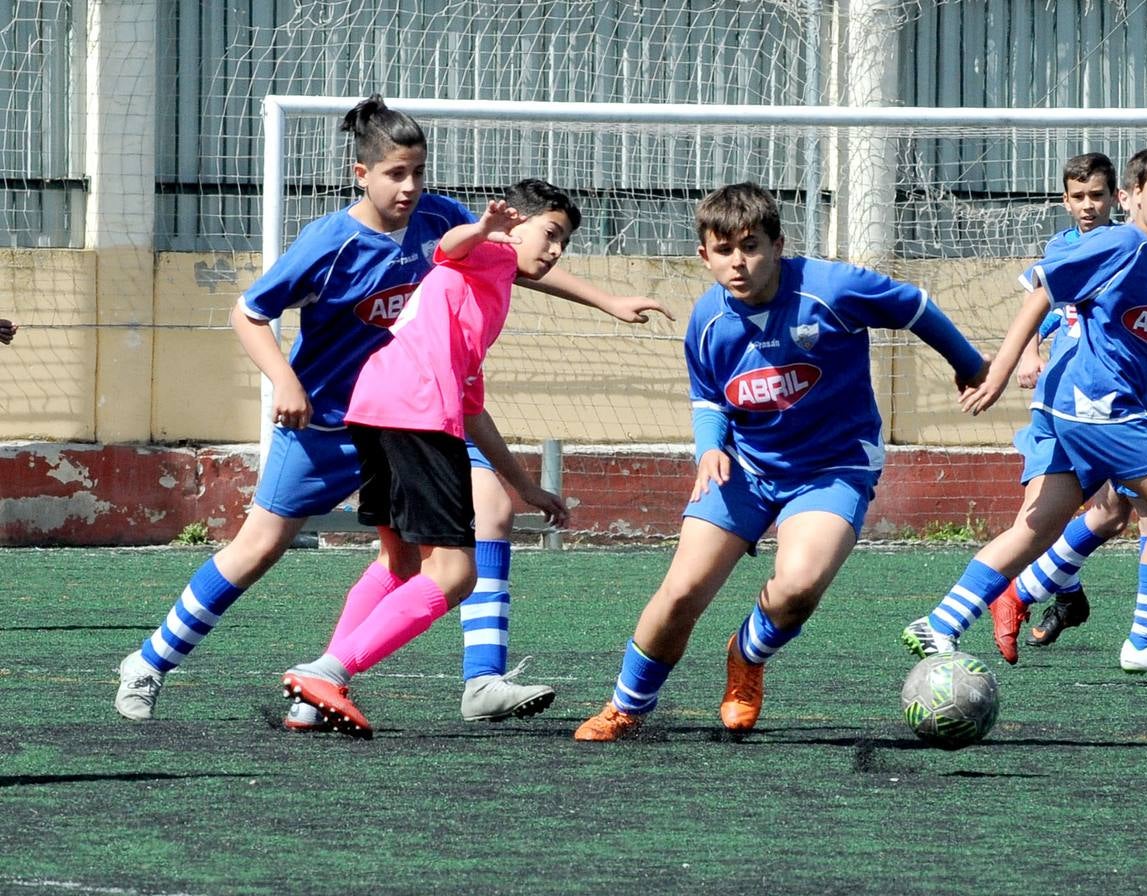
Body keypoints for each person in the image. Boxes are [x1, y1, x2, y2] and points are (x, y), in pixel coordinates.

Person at [113, 96, 666, 726]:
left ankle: (463, 679)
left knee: (478, 517)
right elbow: (247, 312)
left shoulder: (439, 219)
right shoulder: (329, 242)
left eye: (418, 173)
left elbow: (509, 258)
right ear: (362, 174)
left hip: (409, 413)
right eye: (395, 174)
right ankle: (150, 663)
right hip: (326, 423)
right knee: (258, 550)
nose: (410, 187)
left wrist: (605, 300)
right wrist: (285, 382)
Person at [574, 182, 989, 742]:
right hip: (744, 469)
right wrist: (708, 450)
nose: (738, 263)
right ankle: (627, 705)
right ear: (704, 255)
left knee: (796, 588)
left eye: (750, 246)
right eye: (724, 251)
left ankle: (747, 654)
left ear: (778, 244)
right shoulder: (706, 321)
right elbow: (709, 399)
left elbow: (914, 307)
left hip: (832, 466)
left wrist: (967, 364)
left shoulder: (832, 289)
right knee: (679, 594)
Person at [903, 145, 1147, 678]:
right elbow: (1041, 294)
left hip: (1085, 411)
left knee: (1039, 528)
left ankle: (939, 623)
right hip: (1100, 408)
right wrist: (1000, 369)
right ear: (1133, 197)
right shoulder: (1121, 242)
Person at [280, 186, 575, 737]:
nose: (556, 251)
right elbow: (449, 245)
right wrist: (484, 229)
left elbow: (472, 405)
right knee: (457, 573)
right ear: (514, 227)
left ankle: (309, 699)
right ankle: (327, 672)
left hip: (375, 406)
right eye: (551, 234)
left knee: (399, 563)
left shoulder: (483, 293)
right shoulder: (491, 253)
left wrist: (523, 486)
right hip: (415, 414)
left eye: (565, 242)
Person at [994, 156, 1147, 671]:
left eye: (1097, 196)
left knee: (1122, 512)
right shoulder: (1075, 249)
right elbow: (1048, 305)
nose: (1089, 206)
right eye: (1078, 197)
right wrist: (1026, 356)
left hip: (1130, 398)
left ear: (1116, 199)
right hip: (1082, 402)